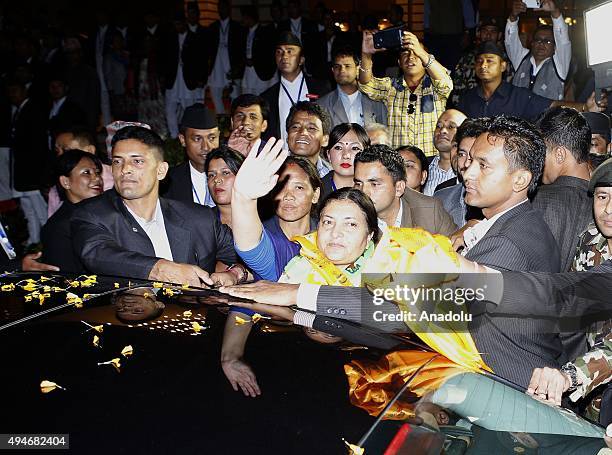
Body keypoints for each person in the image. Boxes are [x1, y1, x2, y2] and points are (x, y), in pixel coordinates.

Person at [71, 126, 244, 287]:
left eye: (137, 161)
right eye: (117, 162)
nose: (125, 169)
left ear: (161, 170)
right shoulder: (91, 214)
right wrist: (160, 270)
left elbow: (252, 258)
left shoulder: (199, 218)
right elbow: (97, 254)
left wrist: (236, 274)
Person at [526, 159, 612, 424]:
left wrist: (570, 376)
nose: (608, 210)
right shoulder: (590, 240)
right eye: (602, 196)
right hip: (586, 397)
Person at [460, 115, 560, 273]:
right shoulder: (527, 220)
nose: (467, 174)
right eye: (471, 161)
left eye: (483, 165)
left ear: (520, 180)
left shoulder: (504, 244)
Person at [359, 29, 453, 155]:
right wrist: (366, 55)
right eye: (405, 54)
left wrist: (421, 52)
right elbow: (366, 84)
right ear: (399, 63)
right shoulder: (390, 87)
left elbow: (446, 83)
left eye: (416, 54)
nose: (411, 57)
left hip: (431, 160)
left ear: (424, 59)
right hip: (399, 162)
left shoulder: (435, 86)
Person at [458, 41, 605, 120]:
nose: (483, 65)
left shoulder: (518, 96)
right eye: (479, 61)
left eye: (490, 61)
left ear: (503, 66)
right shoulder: (467, 98)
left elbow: (553, 105)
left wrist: (585, 107)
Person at [532, 106, 593, 272]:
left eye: (540, 152)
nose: (536, 161)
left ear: (559, 154)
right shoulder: (604, 205)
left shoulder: (534, 200)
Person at [353, 145, 456, 235]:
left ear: (399, 188)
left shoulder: (429, 211)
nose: (363, 192)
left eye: (374, 184)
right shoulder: (349, 212)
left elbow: (455, 253)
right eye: (358, 183)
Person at [41, 150, 104, 273]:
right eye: (87, 173)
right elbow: (66, 277)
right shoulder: (59, 227)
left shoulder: (100, 212)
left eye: (97, 172)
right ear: (66, 182)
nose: (97, 178)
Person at [260, 32, 330, 143]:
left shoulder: (321, 89)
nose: (284, 56)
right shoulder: (267, 97)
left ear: (301, 59)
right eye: (279, 52)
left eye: (289, 51)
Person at [7, 78, 50, 245]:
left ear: (24, 91)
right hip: (22, 172)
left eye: (15, 91)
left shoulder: (33, 110)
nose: (12, 95)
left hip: (33, 173)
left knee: (40, 211)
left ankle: (47, 243)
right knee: (28, 210)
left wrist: (40, 174)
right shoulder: (18, 111)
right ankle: (34, 241)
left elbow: (38, 146)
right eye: (9, 92)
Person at [505, 0, 571, 101]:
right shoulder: (521, 58)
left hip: (547, 117)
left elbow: (563, 41)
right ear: (532, 43)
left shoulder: (559, 64)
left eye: (547, 41)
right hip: (516, 116)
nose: (541, 44)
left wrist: (555, 12)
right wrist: (513, 16)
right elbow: (510, 41)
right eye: (538, 40)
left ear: (555, 46)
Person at [433, 118, 488, 228]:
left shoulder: (506, 203)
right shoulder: (441, 199)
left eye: (474, 156)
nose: (467, 163)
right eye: (462, 154)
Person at [49, 126, 114, 217]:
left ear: (90, 150)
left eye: (67, 151)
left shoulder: (117, 178)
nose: (61, 155)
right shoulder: (56, 190)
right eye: (57, 151)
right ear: (65, 182)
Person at [316, 47, 387, 129]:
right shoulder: (322, 105)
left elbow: (384, 134)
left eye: (347, 66)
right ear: (333, 71)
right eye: (337, 66)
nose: (342, 70)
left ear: (358, 69)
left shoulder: (376, 100)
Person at [163, 104, 219, 207]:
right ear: (183, 140)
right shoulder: (168, 182)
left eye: (212, 138)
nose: (206, 147)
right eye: (197, 139)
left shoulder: (233, 176)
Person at [161, 11, 206, 138]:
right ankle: (174, 136)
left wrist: (201, 78)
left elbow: (201, 60)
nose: (177, 27)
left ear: (184, 23)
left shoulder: (194, 38)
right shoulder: (170, 38)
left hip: (189, 79)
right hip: (173, 79)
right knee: (170, 108)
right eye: (175, 25)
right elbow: (164, 59)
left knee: (189, 108)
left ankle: (190, 135)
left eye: (179, 24)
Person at [451, 16, 514, 106]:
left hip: (498, 109)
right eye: (485, 31)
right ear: (478, 33)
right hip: (470, 108)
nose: (488, 35)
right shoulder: (466, 59)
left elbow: (509, 89)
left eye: (493, 31)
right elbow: (457, 89)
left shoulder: (505, 59)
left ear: (499, 35)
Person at [205, 0, 246, 115]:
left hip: (232, 65)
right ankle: (221, 120)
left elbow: (241, 50)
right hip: (216, 65)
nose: (222, 10)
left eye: (224, 7)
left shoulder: (237, 27)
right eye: (220, 7)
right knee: (215, 91)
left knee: (236, 97)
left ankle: (234, 121)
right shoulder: (213, 27)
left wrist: (239, 67)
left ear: (229, 9)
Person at [320, 123, 370, 199]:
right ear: (328, 155)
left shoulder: (373, 193)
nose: (346, 155)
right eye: (338, 148)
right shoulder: (315, 192)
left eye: (354, 148)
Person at [422, 109, 466, 195]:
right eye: (438, 126)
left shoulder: (470, 169)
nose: (442, 131)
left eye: (450, 127)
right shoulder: (422, 166)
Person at [285, 101, 333, 178]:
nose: (303, 132)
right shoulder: (272, 170)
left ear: (325, 140)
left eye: (311, 128)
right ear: (287, 137)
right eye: (295, 127)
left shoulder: (334, 175)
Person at [239, 5, 277, 96]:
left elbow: (268, 54)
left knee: (260, 100)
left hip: (260, 73)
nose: (242, 20)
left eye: (244, 17)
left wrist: (254, 61)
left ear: (249, 17)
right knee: (246, 98)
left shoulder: (264, 32)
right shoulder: (243, 32)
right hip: (247, 73)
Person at [204, 145, 245, 228]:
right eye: (211, 175)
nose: (217, 179)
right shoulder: (201, 222)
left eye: (225, 173)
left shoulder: (263, 218)